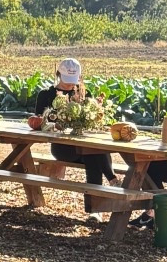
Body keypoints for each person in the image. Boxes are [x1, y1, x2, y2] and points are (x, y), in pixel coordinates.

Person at [33, 56, 113, 204]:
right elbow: (38, 122)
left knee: (93, 156)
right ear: (58, 74)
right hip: (63, 148)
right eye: (67, 79)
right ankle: (112, 179)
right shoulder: (46, 95)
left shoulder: (85, 95)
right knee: (94, 153)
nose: (71, 84)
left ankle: (95, 207)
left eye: (74, 79)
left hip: (86, 146)